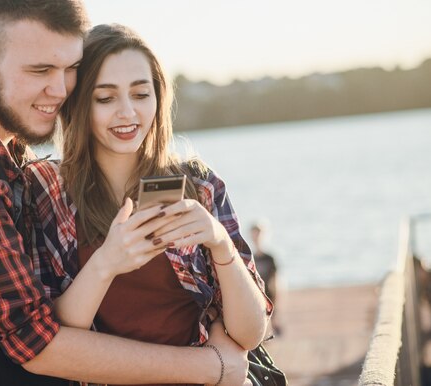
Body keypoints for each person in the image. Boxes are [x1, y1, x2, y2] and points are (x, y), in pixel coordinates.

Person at [0, 0, 251, 385]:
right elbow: (35, 342)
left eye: (70, 67)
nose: (60, 90)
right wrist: (214, 366)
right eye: (40, 70)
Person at [26, 23, 273, 386]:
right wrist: (107, 262)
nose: (127, 113)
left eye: (141, 94)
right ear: (79, 104)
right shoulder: (48, 191)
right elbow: (56, 334)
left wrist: (220, 243)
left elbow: (250, 334)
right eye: (105, 98)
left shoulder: (200, 184)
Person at [249, 221, 281, 336]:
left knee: (270, 330)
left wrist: (277, 299)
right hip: (256, 297)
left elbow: (276, 280)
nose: (256, 236)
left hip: (269, 296)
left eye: (258, 233)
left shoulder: (269, 258)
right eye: (254, 233)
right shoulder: (250, 258)